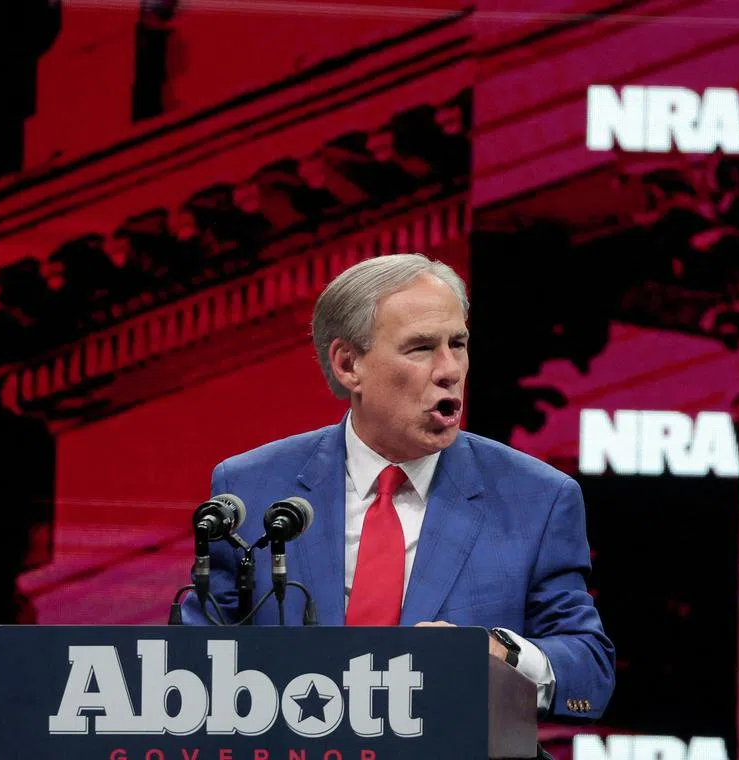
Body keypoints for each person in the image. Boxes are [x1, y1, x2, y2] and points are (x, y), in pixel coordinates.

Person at [181, 252, 615, 721]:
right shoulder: (251, 486)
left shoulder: (538, 499)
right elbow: (190, 665)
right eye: (421, 348)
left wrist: (499, 654)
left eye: (459, 343)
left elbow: (589, 675)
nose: (450, 369)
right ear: (349, 365)